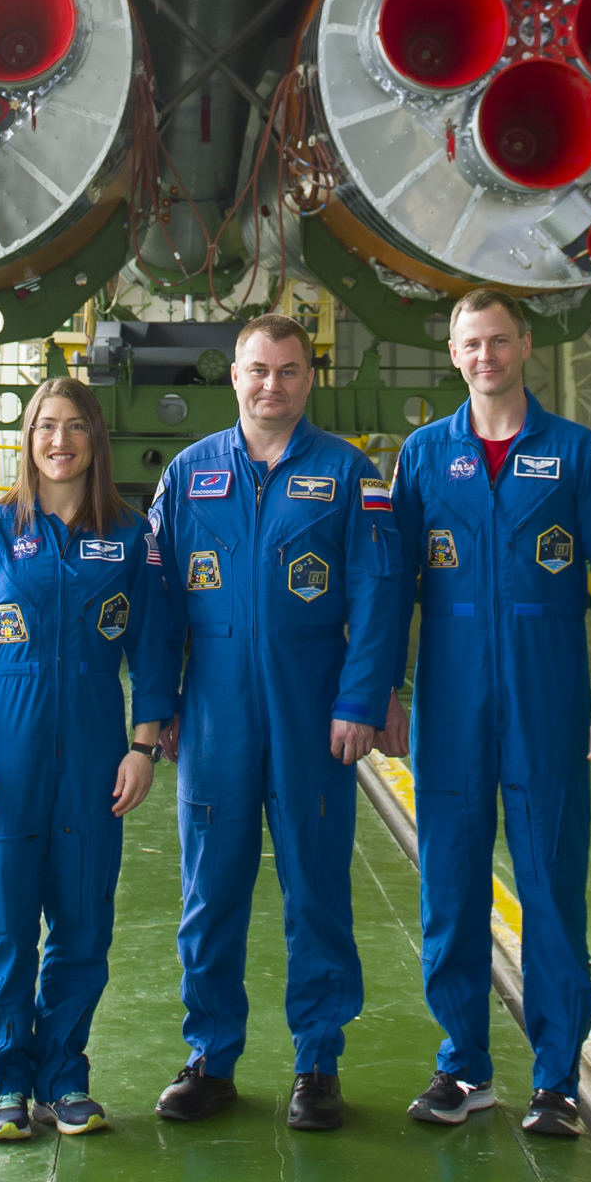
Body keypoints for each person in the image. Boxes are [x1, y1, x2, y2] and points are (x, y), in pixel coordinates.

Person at [380, 289, 591, 1140]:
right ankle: (463, 1066)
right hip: (451, 694)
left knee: (550, 888)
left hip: (547, 691)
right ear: (452, 353)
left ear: (524, 346)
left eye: (498, 340)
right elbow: (393, 589)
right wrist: (384, 690)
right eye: (470, 343)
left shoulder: (576, 454)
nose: (484, 356)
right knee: (449, 889)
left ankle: (557, 1081)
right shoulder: (423, 456)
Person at [150, 313, 402, 1133]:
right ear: (232, 377)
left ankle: (316, 1062)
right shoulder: (188, 476)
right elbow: (158, 610)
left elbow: (377, 594)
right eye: (257, 370)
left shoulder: (346, 473)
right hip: (215, 713)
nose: (271, 385)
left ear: (308, 380)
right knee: (208, 891)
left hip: (309, 710)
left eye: (288, 371)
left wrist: (361, 700)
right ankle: (210, 1056)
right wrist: (157, 714)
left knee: (316, 889)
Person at [0, 377, 175, 1142]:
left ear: (95, 440)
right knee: (7, 925)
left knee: (81, 925)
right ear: (28, 439)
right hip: (8, 745)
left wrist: (143, 748)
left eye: (75, 426)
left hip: (95, 744)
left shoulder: (132, 536)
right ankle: (5, 1082)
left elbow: (152, 650)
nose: (59, 440)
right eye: (46, 425)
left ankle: (64, 1077)